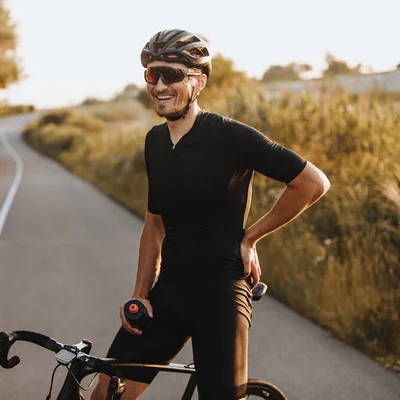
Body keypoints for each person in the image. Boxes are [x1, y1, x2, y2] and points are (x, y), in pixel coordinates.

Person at [90, 29, 330, 400]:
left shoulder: (229, 136)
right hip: (169, 290)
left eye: (170, 74)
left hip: (220, 294)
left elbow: (311, 182)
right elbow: (154, 225)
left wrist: (250, 238)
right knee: (106, 393)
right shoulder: (155, 141)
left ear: (198, 81)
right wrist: (140, 295)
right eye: (152, 75)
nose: (159, 85)